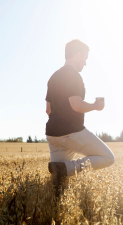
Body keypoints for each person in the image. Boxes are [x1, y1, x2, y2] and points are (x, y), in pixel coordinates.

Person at [45, 39, 115, 194]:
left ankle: (55, 201)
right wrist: (96, 106)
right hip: (71, 131)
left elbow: (48, 110)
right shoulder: (73, 75)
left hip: (52, 134)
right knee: (108, 157)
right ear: (77, 55)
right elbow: (76, 105)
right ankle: (67, 167)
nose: (85, 63)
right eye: (84, 58)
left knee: (59, 182)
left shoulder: (53, 77)